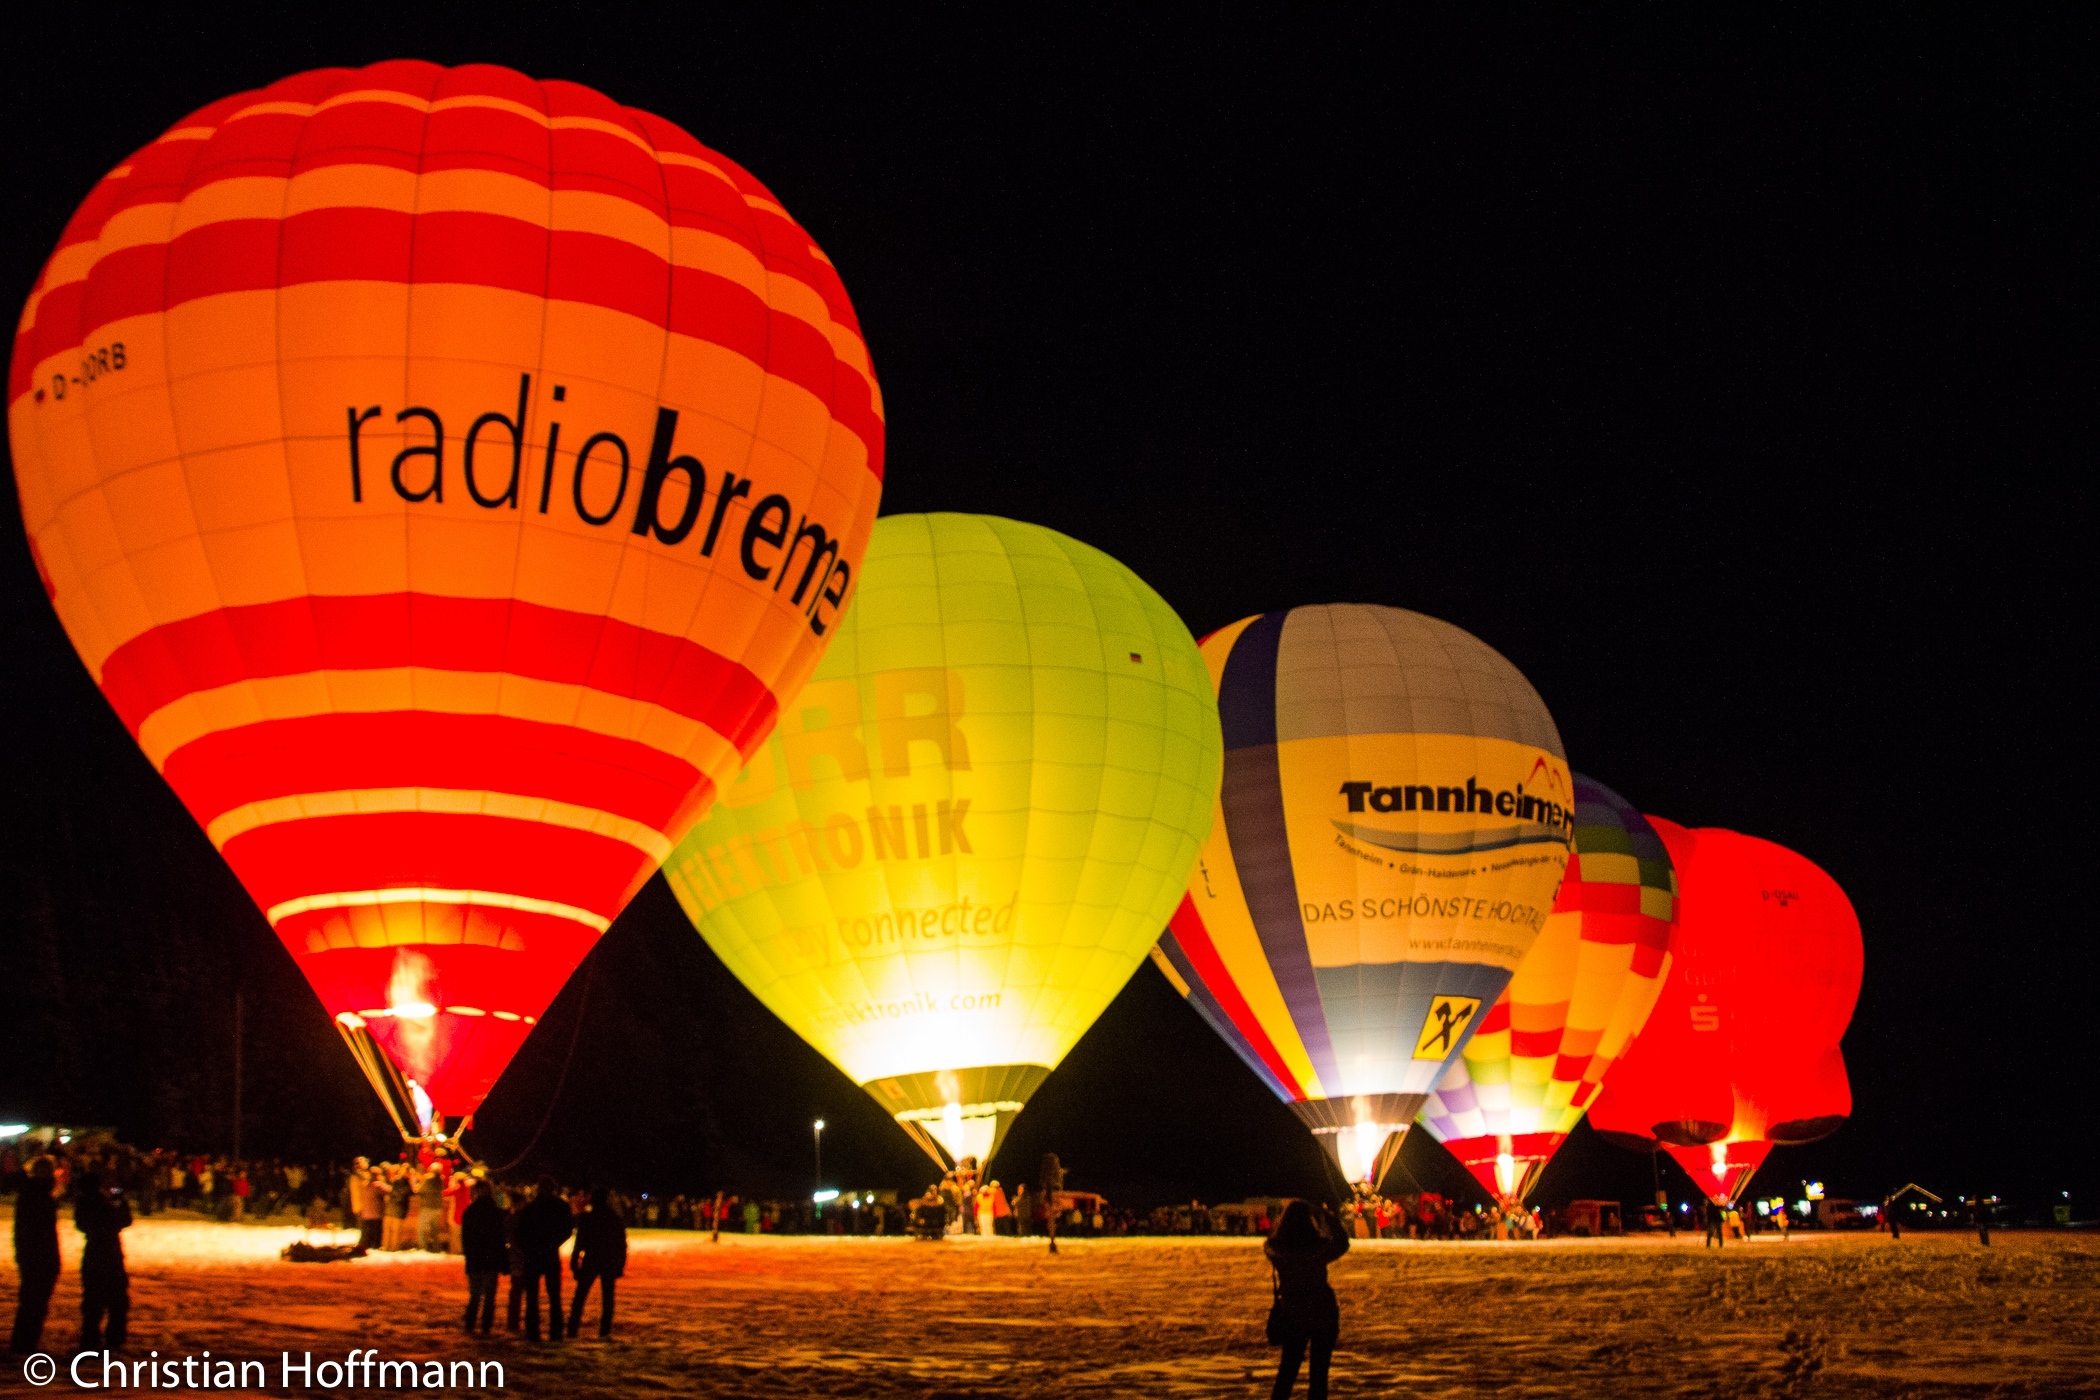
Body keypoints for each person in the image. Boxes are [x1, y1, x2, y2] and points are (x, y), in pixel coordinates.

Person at [1265, 1201, 1348, 1400]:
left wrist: (1280, 1224)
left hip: (1293, 1312)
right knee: (1319, 1375)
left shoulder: (1276, 1249)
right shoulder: (1318, 1249)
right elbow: (1342, 1242)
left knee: (1287, 1372)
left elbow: (1270, 1240)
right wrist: (1327, 1217)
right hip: (1323, 1310)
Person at [73, 1171, 132, 1352]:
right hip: (109, 1254)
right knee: (116, 1300)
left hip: (93, 1255)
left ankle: (90, 1338)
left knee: (93, 1301)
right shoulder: (101, 1204)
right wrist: (120, 1201)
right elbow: (124, 1220)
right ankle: (113, 1339)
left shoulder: (83, 1204)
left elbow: (82, 1225)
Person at [11, 1157, 61, 1356]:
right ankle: (24, 1343)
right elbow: (37, 1232)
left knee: (33, 1301)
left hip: (34, 1256)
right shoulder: (36, 1195)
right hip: (37, 1256)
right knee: (34, 1301)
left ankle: (24, 1342)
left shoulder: (35, 1193)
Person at [515, 1177, 574, 1342]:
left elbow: (520, 1233)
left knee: (532, 1296)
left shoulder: (531, 1207)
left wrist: (527, 1247)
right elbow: (567, 1230)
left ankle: (532, 1332)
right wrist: (554, 1243)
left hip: (533, 1255)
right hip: (549, 1254)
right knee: (554, 1296)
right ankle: (556, 1332)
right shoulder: (560, 1206)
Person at [568, 1188, 627, 1339]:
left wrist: (575, 1261)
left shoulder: (588, 1217)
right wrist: (620, 1263)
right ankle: (604, 1330)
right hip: (608, 1260)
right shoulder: (614, 1217)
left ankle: (573, 1329)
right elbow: (621, 1243)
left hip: (592, 1258)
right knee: (607, 1297)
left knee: (580, 1296)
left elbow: (579, 1241)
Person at [459, 1181, 506, 1336]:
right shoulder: (496, 1212)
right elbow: (501, 1238)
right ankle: (486, 1326)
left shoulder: (470, 1211)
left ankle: (470, 1324)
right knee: (489, 1295)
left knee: (475, 1295)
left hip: (475, 1259)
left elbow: (465, 1238)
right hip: (491, 1259)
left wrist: (468, 1255)